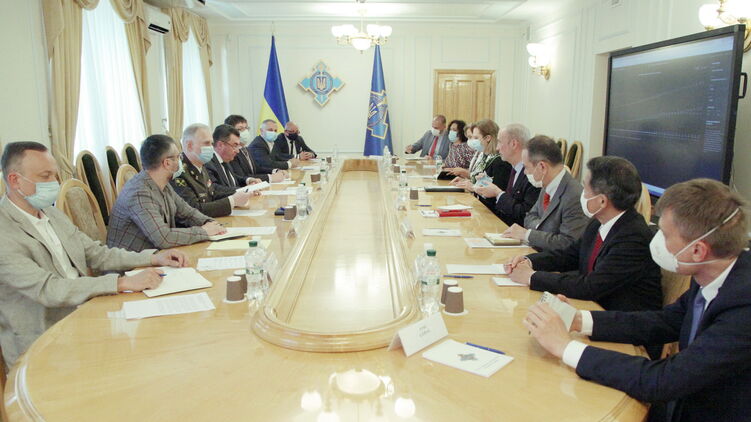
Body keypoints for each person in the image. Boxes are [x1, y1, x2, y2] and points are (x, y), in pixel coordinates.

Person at [524, 179, 751, 422]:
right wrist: (578, 320)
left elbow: (663, 381)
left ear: (697, 251)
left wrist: (565, 347)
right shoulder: (714, 271)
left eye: (665, 235)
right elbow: (665, 321)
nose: (657, 240)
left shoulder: (743, 307)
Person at [0, 141, 189, 367]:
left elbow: (96, 253)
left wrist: (153, 258)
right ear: (15, 180)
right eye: (45, 176)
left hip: (84, 314)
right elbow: (49, 289)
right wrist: (121, 283)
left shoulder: (50, 213)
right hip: (45, 341)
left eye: (54, 175)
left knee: (163, 339)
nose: (54, 182)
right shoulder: (4, 233)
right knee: (139, 359)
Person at [506, 156, 662, 313]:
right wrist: (529, 261)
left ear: (602, 201)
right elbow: (570, 255)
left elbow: (590, 286)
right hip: (594, 307)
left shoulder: (633, 237)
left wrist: (532, 277)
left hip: (618, 318)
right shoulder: (598, 222)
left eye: (585, 189)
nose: (581, 193)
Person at [107, 135, 226, 252]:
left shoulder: (163, 184)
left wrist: (211, 223)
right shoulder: (139, 193)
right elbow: (164, 238)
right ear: (167, 163)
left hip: (157, 256)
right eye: (178, 157)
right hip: (135, 263)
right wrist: (204, 231)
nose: (181, 161)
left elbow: (188, 213)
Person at [501, 135, 589, 252]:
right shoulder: (546, 184)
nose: (525, 172)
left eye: (526, 167)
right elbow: (529, 217)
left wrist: (528, 234)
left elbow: (567, 243)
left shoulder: (574, 195)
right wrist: (546, 232)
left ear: (542, 167)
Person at [171, 123, 258, 218]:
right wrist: (232, 201)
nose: (211, 148)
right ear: (189, 145)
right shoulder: (178, 172)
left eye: (211, 143)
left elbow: (212, 193)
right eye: (206, 143)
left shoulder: (200, 165)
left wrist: (242, 192)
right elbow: (193, 209)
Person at [475, 124, 540, 227]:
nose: (497, 148)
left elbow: (525, 215)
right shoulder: (513, 168)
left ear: (513, 144)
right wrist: (484, 186)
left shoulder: (532, 174)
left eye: (499, 142)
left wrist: (498, 193)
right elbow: (502, 207)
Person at [450, 119, 512, 210]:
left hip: (490, 211)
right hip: (478, 205)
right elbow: (480, 182)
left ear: (488, 138)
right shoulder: (484, 157)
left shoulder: (499, 162)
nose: (472, 141)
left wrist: (473, 188)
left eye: (476, 138)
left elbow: (495, 196)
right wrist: (467, 182)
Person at [224, 115, 285, 183]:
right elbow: (242, 177)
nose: (245, 132)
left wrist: (275, 171)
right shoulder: (232, 152)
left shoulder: (245, 149)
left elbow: (256, 169)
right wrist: (270, 178)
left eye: (246, 128)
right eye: (240, 129)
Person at [206, 124, 269, 189]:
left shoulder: (225, 160)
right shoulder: (208, 163)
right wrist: (244, 190)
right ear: (220, 145)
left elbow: (232, 179)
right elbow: (215, 188)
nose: (238, 151)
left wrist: (248, 180)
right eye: (235, 145)